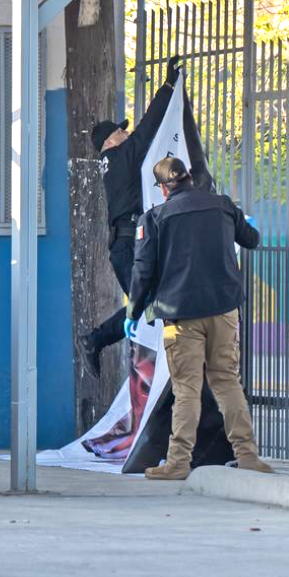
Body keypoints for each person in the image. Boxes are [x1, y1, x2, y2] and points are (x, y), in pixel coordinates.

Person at [126, 157, 273, 480]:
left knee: (187, 389)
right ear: (190, 177)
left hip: (181, 317)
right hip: (223, 310)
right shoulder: (222, 206)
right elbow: (252, 239)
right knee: (227, 382)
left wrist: (133, 311)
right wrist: (237, 220)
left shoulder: (156, 217)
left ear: (164, 188)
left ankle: (178, 463)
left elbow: (143, 270)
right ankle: (248, 455)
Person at [80, 57, 182, 375]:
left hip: (129, 244)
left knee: (151, 304)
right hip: (128, 246)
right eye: (121, 133)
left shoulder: (116, 160)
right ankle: (97, 341)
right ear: (111, 141)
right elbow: (150, 126)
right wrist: (167, 87)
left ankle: (108, 345)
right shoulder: (122, 155)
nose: (128, 134)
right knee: (149, 305)